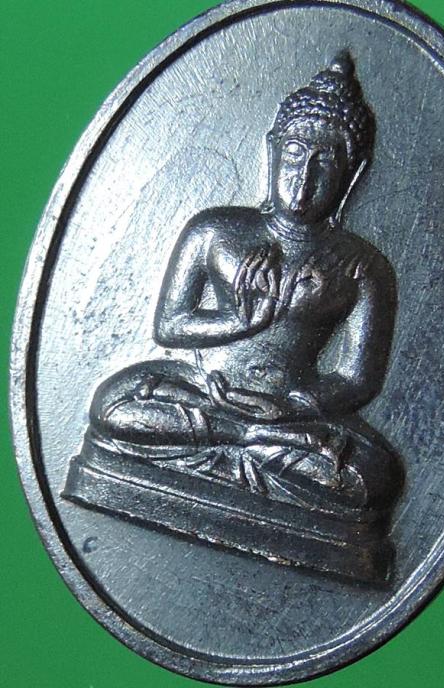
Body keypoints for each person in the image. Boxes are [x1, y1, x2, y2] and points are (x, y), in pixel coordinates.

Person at [84, 52, 403, 519]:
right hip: (200, 388)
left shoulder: (363, 266)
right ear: (273, 151)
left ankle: (231, 444)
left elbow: (357, 378)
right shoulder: (214, 230)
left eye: (324, 163)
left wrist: (292, 406)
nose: (303, 178)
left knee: (375, 478)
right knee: (112, 404)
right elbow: (169, 327)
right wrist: (238, 320)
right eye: (293, 155)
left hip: (289, 413)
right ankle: (244, 440)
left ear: (351, 170)